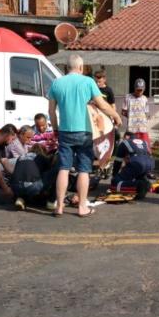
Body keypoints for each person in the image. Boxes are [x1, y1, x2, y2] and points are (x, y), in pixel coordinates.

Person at [48, 54, 122, 217]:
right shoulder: (88, 82)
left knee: (64, 168)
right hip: (84, 132)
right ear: (81, 68)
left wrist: (55, 129)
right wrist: (115, 116)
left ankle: (59, 206)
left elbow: (51, 111)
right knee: (83, 170)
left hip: (65, 131)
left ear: (67, 67)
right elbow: (102, 105)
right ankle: (82, 207)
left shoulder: (56, 83)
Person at [10, 144, 59, 211]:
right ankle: (51, 202)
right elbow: (47, 173)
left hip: (15, 187)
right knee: (57, 173)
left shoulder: (21, 157)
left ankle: (20, 199)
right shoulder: (41, 157)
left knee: (24, 179)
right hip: (32, 186)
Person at [111, 131, 155, 198]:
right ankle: (145, 183)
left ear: (126, 136)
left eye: (123, 138)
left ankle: (138, 186)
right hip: (150, 164)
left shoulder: (125, 142)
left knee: (115, 183)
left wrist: (115, 175)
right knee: (136, 175)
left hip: (137, 163)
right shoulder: (144, 142)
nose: (123, 139)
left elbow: (118, 162)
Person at [121, 79, 151, 151]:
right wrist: (131, 117)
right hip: (131, 129)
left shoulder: (145, 99)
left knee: (145, 147)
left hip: (142, 129)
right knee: (130, 147)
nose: (139, 92)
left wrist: (144, 119)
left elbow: (146, 113)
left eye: (141, 90)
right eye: (138, 90)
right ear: (134, 88)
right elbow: (123, 111)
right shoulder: (128, 97)